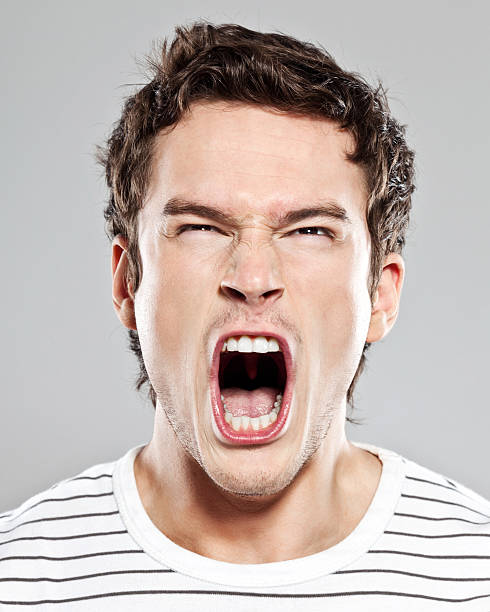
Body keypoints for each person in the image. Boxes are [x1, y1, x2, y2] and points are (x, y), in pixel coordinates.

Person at [1, 21, 489, 609]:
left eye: (310, 230)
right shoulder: (19, 576)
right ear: (128, 282)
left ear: (381, 297)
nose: (253, 278)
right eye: (201, 228)